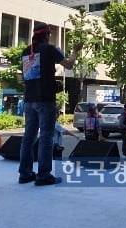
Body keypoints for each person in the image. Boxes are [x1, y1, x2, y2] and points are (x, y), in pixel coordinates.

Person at [18, 22, 80, 187]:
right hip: (45, 99)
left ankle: (24, 173)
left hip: (29, 99)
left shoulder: (26, 51)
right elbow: (68, 64)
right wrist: (75, 51)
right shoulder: (49, 49)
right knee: (46, 136)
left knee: (28, 137)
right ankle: (43, 175)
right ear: (46, 35)